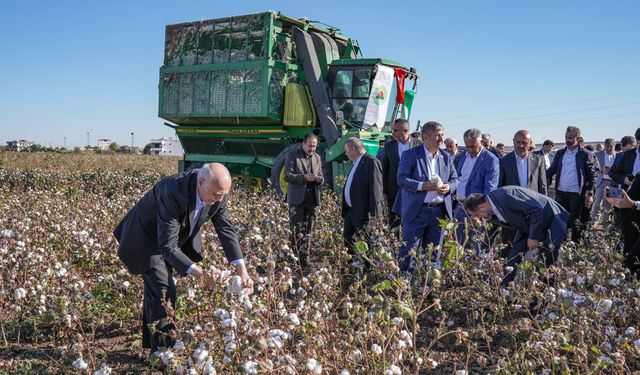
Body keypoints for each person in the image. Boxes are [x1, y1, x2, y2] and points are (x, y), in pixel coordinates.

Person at [113, 163, 253, 352]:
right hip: (145, 239)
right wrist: (201, 276)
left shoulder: (218, 192)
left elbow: (226, 229)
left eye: (223, 195)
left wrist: (242, 270)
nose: (220, 199)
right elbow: (167, 246)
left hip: (169, 239)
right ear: (201, 182)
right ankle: (163, 354)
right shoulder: (172, 190)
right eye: (216, 195)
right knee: (164, 290)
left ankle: (152, 344)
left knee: (156, 290)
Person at [463, 186, 568, 286]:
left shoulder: (506, 196)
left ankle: (543, 299)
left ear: (482, 206)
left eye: (474, 214)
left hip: (551, 220)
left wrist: (533, 237)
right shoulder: (491, 211)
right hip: (528, 226)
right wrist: (482, 255)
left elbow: (536, 210)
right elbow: (488, 235)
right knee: (513, 258)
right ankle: (505, 293)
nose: (475, 218)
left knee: (545, 263)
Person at [393, 121, 459, 272]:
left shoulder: (446, 157)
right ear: (425, 137)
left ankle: (429, 289)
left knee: (434, 253)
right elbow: (401, 179)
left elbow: (455, 179)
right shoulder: (410, 155)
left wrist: (448, 187)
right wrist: (423, 186)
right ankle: (404, 288)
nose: (441, 139)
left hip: (438, 212)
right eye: (437, 136)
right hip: (416, 211)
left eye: (442, 135)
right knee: (408, 252)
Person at [546, 126, 597, 243]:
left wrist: (590, 193)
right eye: (566, 137)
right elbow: (552, 170)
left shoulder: (585, 154)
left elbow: (591, 175)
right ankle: (560, 244)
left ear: (577, 138)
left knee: (574, 220)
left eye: (570, 137)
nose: (567, 140)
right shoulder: (560, 153)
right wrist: (538, 175)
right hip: (560, 192)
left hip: (576, 193)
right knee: (560, 219)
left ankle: (575, 246)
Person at [498, 130, 548, 247]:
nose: (521, 145)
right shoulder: (504, 161)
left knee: (530, 241)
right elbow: (500, 186)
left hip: (532, 207)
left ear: (530, 143)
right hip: (512, 208)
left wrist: (544, 207)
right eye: (518, 142)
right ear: (513, 142)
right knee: (509, 242)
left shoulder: (538, 160)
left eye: (524, 143)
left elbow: (542, 185)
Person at [454, 128, 499, 249]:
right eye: (467, 146)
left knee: (476, 244)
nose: (470, 150)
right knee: (459, 245)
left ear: (481, 142)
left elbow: (490, 188)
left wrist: (478, 213)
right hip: (460, 205)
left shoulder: (491, 160)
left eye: (473, 146)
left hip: (477, 209)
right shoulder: (463, 155)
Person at [284, 133, 324, 268]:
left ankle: (304, 259)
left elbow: (321, 176)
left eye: (314, 146)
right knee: (295, 230)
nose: (312, 149)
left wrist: (319, 180)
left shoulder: (317, 158)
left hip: (312, 200)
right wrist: (304, 177)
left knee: (308, 230)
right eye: (310, 146)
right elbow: (287, 176)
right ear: (303, 144)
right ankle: (293, 260)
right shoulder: (292, 155)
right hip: (296, 200)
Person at [342, 137, 384, 257]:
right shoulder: (356, 163)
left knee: (365, 243)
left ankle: (367, 270)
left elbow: (376, 189)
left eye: (346, 150)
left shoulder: (371, 162)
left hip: (363, 212)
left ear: (353, 149)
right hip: (351, 211)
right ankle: (350, 269)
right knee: (348, 241)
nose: (345, 154)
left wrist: (377, 214)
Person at [379, 119, 421, 230]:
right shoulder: (389, 146)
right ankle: (394, 244)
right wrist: (383, 190)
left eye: (396, 130)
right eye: (393, 130)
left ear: (405, 130)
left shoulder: (419, 144)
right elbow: (384, 169)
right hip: (393, 190)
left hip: (414, 190)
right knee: (394, 221)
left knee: (414, 220)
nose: (393, 133)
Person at [609, 128, 640, 257]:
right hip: (628, 200)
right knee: (629, 237)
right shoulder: (627, 155)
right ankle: (628, 269)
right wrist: (624, 180)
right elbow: (613, 173)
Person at [604, 186, 640, 276]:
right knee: (630, 260)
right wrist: (619, 204)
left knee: (633, 261)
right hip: (632, 219)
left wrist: (633, 204)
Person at [591, 138, 617, 225]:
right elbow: (593, 168)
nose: (609, 148)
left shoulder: (617, 156)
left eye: (611, 147)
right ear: (604, 146)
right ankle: (594, 220)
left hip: (613, 182)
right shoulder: (598, 154)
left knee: (609, 203)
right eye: (607, 147)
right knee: (597, 201)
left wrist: (613, 170)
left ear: (614, 146)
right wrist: (601, 170)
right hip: (601, 181)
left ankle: (606, 221)